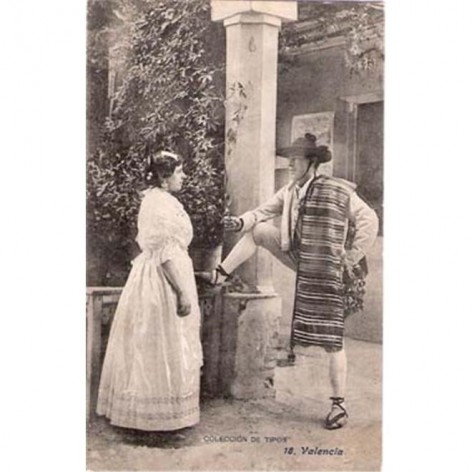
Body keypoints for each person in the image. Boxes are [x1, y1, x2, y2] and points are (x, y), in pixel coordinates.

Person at [199, 133, 378, 429]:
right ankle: (221, 273)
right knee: (258, 231)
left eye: (296, 159)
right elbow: (263, 212)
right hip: (300, 255)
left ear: (312, 162)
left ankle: (339, 406)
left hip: (330, 268)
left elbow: (369, 219)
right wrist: (240, 221)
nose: (291, 164)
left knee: (333, 338)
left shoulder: (336, 189)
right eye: (290, 159)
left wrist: (350, 255)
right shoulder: (290, 191)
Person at [96, 150, 203, 432]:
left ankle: (168, 415)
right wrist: (181, 291)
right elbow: (163, 254)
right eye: (179, 172)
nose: (184, 176)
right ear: (164, 177)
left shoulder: (164, 200)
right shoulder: (156, 203)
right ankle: (149, 418)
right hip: (162, 281)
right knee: (157, 343)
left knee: (170, 342)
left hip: (171, 272)